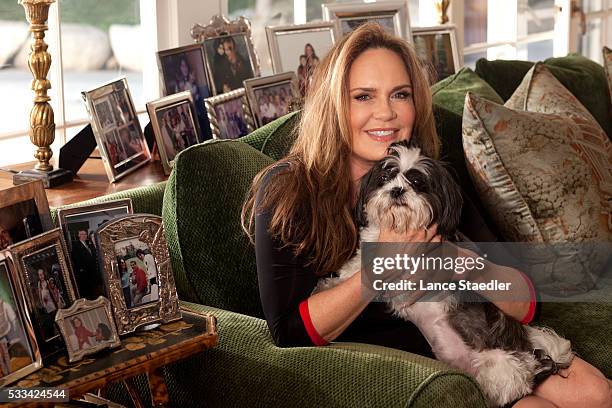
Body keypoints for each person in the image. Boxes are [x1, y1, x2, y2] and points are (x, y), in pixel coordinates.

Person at [241, 23, 611, 408]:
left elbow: (525, 300)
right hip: (406, 364)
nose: (385, 112)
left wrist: (464, 266)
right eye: (364, 96)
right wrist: (381, 265)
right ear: (334, 104)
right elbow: (288, 332)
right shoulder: (289, 189)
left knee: (597, 393)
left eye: (400, 94)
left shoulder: (429, 180)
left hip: (482, 341)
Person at [71, 229, 102, 300]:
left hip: (92, 270)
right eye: (82, 234)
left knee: (95, 289)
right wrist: (82, 269)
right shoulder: (76, 245)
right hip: (85, 272)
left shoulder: (87, 243)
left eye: (85, 234)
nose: (84, 236)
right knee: (89, 291)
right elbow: (76, 258)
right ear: (79, 235)